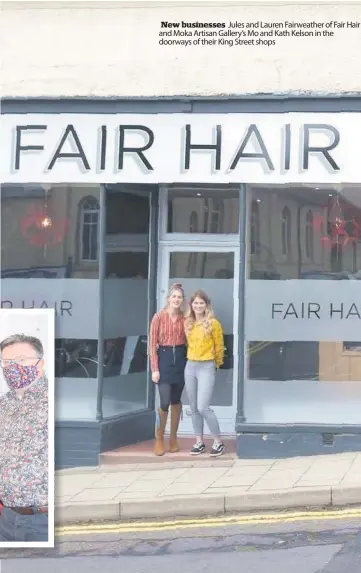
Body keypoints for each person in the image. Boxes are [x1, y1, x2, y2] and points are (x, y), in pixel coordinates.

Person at [0, 334, 48, 542]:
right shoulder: (4, 405)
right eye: (6, 362)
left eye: (21, 360)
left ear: (40, 364)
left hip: (41, 520)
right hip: (6, 518)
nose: (13, 368)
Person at [184, 290, 225, 457]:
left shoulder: (213, 323)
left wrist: (217, 364)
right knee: (193, 408)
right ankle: (199, 442)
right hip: (190, 366)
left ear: (207, 305)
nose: (198, 306)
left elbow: (220, 346)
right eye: (195, 303)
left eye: (201, 303)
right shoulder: (188, 323)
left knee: (203, 407)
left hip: (206, 365)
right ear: (191, 305)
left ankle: (218, 441)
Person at [149, 283, 187, 456]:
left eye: (179, 297)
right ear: (168, 299)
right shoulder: (159, 317)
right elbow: (152, 345)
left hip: (180, 357)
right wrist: (154, 368)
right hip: (163, 357)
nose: (176, 300)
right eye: (174, 297)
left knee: (176, 400)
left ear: (182, 300)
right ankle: (159, 438)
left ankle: (173, 438)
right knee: (164, 401)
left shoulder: (185, 318)